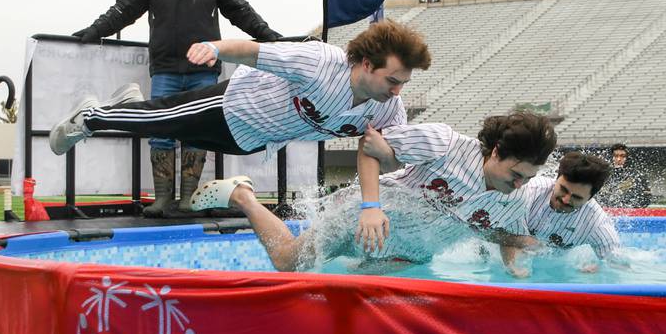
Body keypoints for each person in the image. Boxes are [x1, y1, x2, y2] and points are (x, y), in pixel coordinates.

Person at [50, 19, 432, 243]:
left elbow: (391, 159)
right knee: (158, 123)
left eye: (403, 83)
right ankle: (89, 118)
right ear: (366, 64)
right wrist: (214, 48)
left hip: (248, 140)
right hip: (230, 106)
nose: (398, 90)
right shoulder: (319, 63)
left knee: (158, 120)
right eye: (393, 80)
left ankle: (128, 105)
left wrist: (387, 160)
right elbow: (254, 51)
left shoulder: (388, 109)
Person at [71, 0, 281, 217]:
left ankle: (188, 199)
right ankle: (163, 199)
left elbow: (241, 11)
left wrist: (269, 38)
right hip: (166, 71)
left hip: (204, 72)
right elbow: (123, 10)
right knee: (159, 130)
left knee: (198, 129)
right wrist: (95, 31)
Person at [185, 111, 558, 271]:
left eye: (527, 178)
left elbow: (488, 229)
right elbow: (369, 147)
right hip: (361, 220)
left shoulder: (516, 197)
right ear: (496, 152)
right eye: (515, 174)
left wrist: (514, 247)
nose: (519, 184)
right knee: (289, 262)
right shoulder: (444, 143)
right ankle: (242, 195)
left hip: (408, 254)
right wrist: (370, 206)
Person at [500, 151, 622, 276]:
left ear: (590, 198)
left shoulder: (596, 223)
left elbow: (617, 264)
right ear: (556, 179)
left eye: (577, 197)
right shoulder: (528, 192)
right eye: (563, 189)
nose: (565, 200)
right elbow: (503, 233)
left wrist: (598, 270)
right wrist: (513, 267)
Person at [595, 143, 651, 208]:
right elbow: (597, 197)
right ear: (611, 157)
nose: (619, 159)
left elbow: (646, 198)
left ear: (627, 158)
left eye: (622, 156)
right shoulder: (603, 175)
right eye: (616, 156)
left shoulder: (637, 176)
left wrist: (629, 209)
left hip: (629, 213)